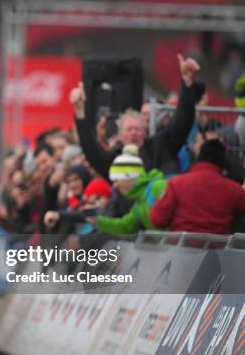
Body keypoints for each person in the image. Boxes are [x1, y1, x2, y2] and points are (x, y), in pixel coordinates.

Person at [70, 54, 203, 181]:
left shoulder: (161, 146)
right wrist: (80, 112)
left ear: (145, 132)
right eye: (129, 129)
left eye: (137, 129)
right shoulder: (115, 159)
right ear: (120, 135)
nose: (133, 133)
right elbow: (91, 150)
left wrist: (187, 82)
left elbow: (182, 121)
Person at [150, 140, 245, 234]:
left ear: (199, 156)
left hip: (180, 246)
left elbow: (157, 219)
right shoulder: (233, 190)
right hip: (218, 246)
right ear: (223, 162)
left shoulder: (176, 184)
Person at [86, 145, 167, 234]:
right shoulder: (138, 203)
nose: (115, 186)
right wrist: (98, 221)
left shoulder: (158, 186)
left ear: (129, 177)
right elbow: (125, 226)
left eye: (116, 180)